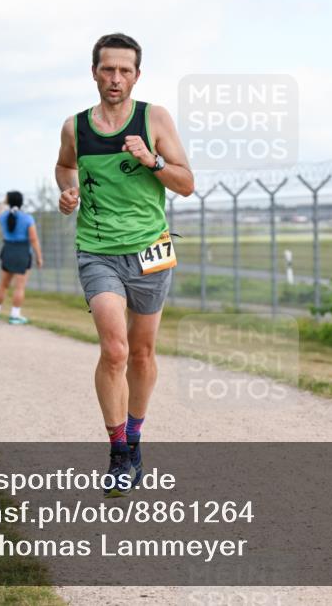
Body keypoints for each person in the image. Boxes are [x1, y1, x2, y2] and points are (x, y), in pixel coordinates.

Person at [55, 33, 195, 497]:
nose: (115, 79)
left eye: (125, 71)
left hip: (150, 251)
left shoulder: (153, 118)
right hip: (97, 250)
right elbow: (63, 166)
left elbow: (186, 184)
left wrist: (151, 159)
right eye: (107, 69)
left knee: (141, 353)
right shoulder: (76, 127)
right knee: (114, 350)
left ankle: (135, 439)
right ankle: (118, 453)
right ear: (94, 71)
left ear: (137, 75)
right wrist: (68, 191)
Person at [0, 191, 43, 325]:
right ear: (21, 202)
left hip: (7, 251)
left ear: (8, 201)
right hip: (22, 253)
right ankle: (14, 316)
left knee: (3, 285)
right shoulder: (27, 218)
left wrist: (5, 201)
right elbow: (34, 239)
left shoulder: (3, 216)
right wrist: (39, 257)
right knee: (19, 287)